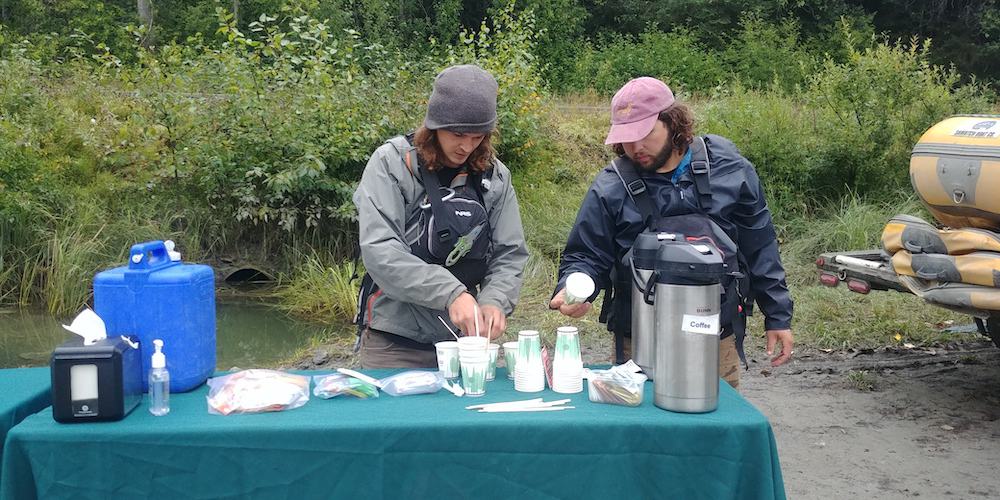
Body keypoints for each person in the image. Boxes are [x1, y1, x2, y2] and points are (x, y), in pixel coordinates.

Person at [548, 77, 794, 388]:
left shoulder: (729, 168)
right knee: (644, 432)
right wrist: (577, 288)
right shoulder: (610, 187)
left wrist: (778, 315)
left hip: (715, 336)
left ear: (673, 122)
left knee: (713, 427)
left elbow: (760, 245)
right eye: (626, 138)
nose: (635, 148)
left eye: (645, 134)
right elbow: (586, 254)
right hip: (638, 340)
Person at [353, 65, 528, 369]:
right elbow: (380, 251)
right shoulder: (391, 164)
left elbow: (509, 254)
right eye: (458, 134)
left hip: (465, 346)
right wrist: (451, 293)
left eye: (477, 137)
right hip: (394, 344)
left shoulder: (495, 177)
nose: (466, 146)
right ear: (434, 125)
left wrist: (494, 300)